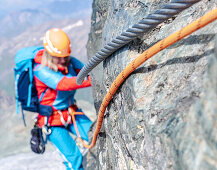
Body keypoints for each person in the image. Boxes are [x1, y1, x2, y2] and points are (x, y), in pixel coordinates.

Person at [33, 28, 92, 170]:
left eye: (65, 56)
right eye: (58, 57)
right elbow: (63, 83)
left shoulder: (69, 61)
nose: (63, 60)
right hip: (52, 122)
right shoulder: (40, 70)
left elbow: (87, 70)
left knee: (95, 135)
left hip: (72, 113)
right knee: (74, 159)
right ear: (49, 54)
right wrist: (94, 80)